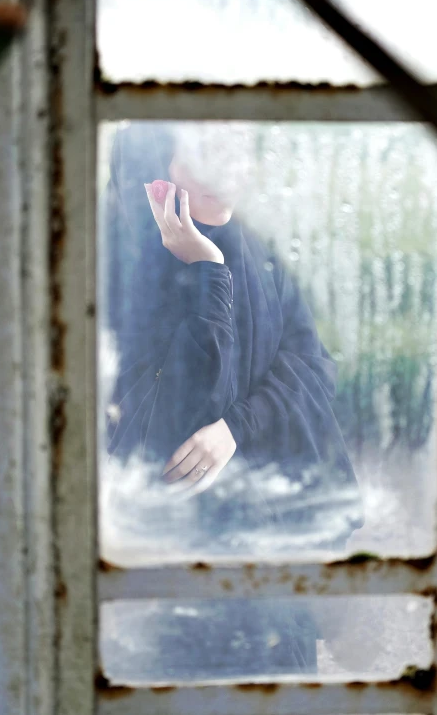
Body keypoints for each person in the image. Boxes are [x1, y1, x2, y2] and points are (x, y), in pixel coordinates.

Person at [101, 121, 364, 677]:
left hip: (269, 548)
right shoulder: (119, 271)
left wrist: (236, 428)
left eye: (238, 152)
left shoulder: (255, 246)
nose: (227, 173)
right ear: (157, 170)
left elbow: (313, 367)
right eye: (203, 155)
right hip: (177, 572)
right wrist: (207, 273)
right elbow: (184, 418)